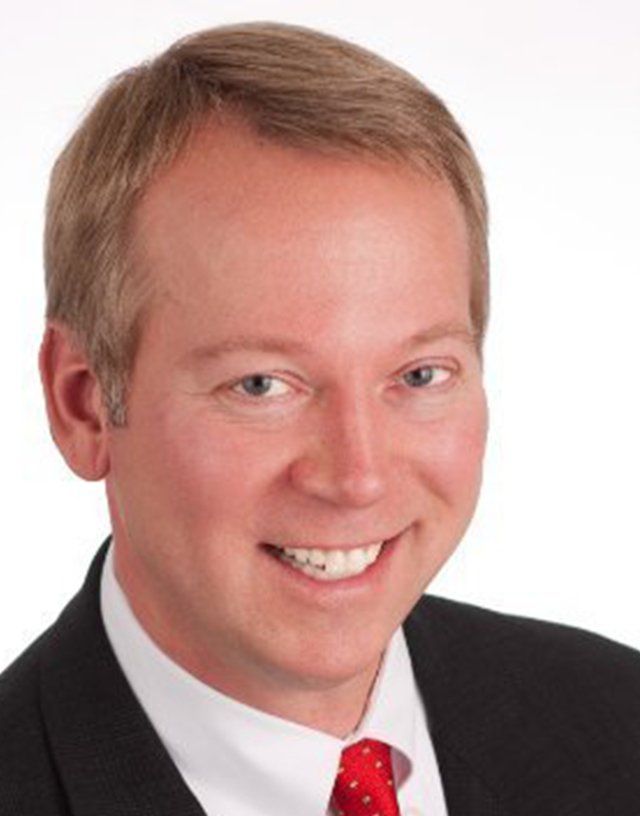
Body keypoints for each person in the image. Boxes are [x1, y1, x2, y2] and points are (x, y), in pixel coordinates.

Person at [1, 21, 638, 816]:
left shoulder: (619, 721)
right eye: (262, 385)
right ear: (83, 404)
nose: (358, 477)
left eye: (419, 374)